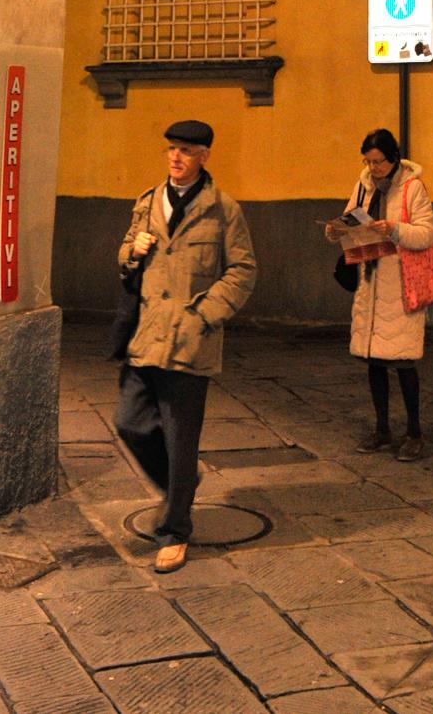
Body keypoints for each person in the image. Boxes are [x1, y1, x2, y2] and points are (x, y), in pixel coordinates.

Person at [114, 120, 256, 574]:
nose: (175, 157)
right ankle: (180, 484)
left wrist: (205, 315)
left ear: (204, 157)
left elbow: (243, 271)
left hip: (190, 340)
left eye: (186, 151)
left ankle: (175, 531)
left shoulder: (223, 211)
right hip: (147, 333)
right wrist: (131, 251)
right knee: (130, 422)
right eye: (171, 149)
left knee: (180, 439)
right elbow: (124, 257)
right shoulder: (146, 202)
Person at [326, 128, 433, 460]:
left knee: (403, 362)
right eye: (368, 162)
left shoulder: (412, 188)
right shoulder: (363, 186)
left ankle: (414, 433)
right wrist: (335, 230)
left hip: (400, 285)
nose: (373, 168)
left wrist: (395, 229)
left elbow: (427, 234)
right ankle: (382, 429)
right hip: (371, 283)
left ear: (393, 158)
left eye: (379, 162)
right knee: (374, 362)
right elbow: (350, 219)